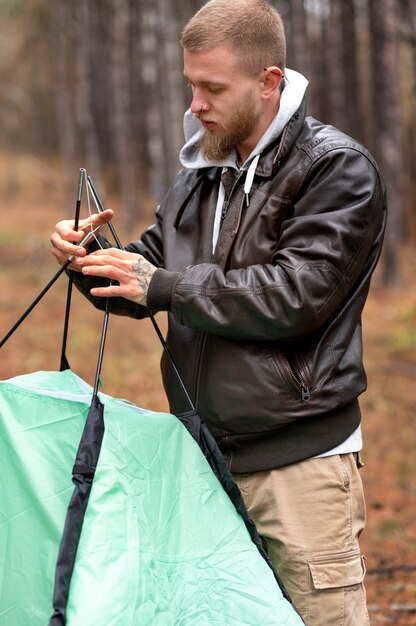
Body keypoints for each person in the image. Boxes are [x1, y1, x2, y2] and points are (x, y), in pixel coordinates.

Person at [50, 1, 386, 624]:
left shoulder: (336, 169)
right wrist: (89, 258)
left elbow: (296, 295)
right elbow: (149, 272)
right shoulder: (202, 173)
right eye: (190, 85)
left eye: (212, 88)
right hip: (201, 459)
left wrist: (163, 285)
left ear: (269, 82)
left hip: (299, 468)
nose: (196, 104)